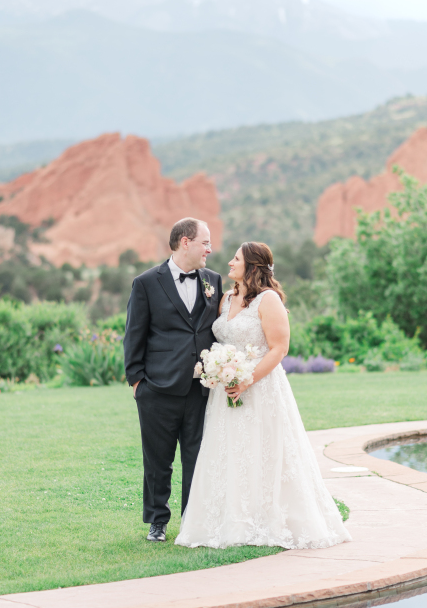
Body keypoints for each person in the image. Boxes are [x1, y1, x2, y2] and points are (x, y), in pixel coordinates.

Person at [175, 241, 351, 550]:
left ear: (252, 266)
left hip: (261, 388)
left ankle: (267, 521)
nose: (229, 263)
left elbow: (280, 349)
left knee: (263, 452)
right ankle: (230, 522)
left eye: (236, 259)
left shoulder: (268, 300)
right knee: (229, 453)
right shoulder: (227, 298)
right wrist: (219, 372)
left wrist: (245, 379)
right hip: (224, 392)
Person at [123, 217, 223, 542]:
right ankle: (157, 522)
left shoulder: (214, 281)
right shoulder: (147, 283)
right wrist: (138, 383)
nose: (210, 248)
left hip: (200, 389)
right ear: (185, 242)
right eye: (205, 242)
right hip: (157, 389)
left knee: (198, 456)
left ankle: (193, 521)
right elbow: (133, 335)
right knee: (157, 459)